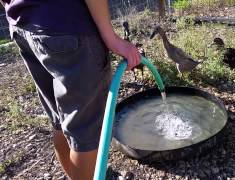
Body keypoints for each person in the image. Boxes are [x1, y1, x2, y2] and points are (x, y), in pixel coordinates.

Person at [1, 0, 141, 179]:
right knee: (85, 133)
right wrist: (111, 37)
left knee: (61, 119)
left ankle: (83, 175)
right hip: (69, 28)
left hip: (24, 25)